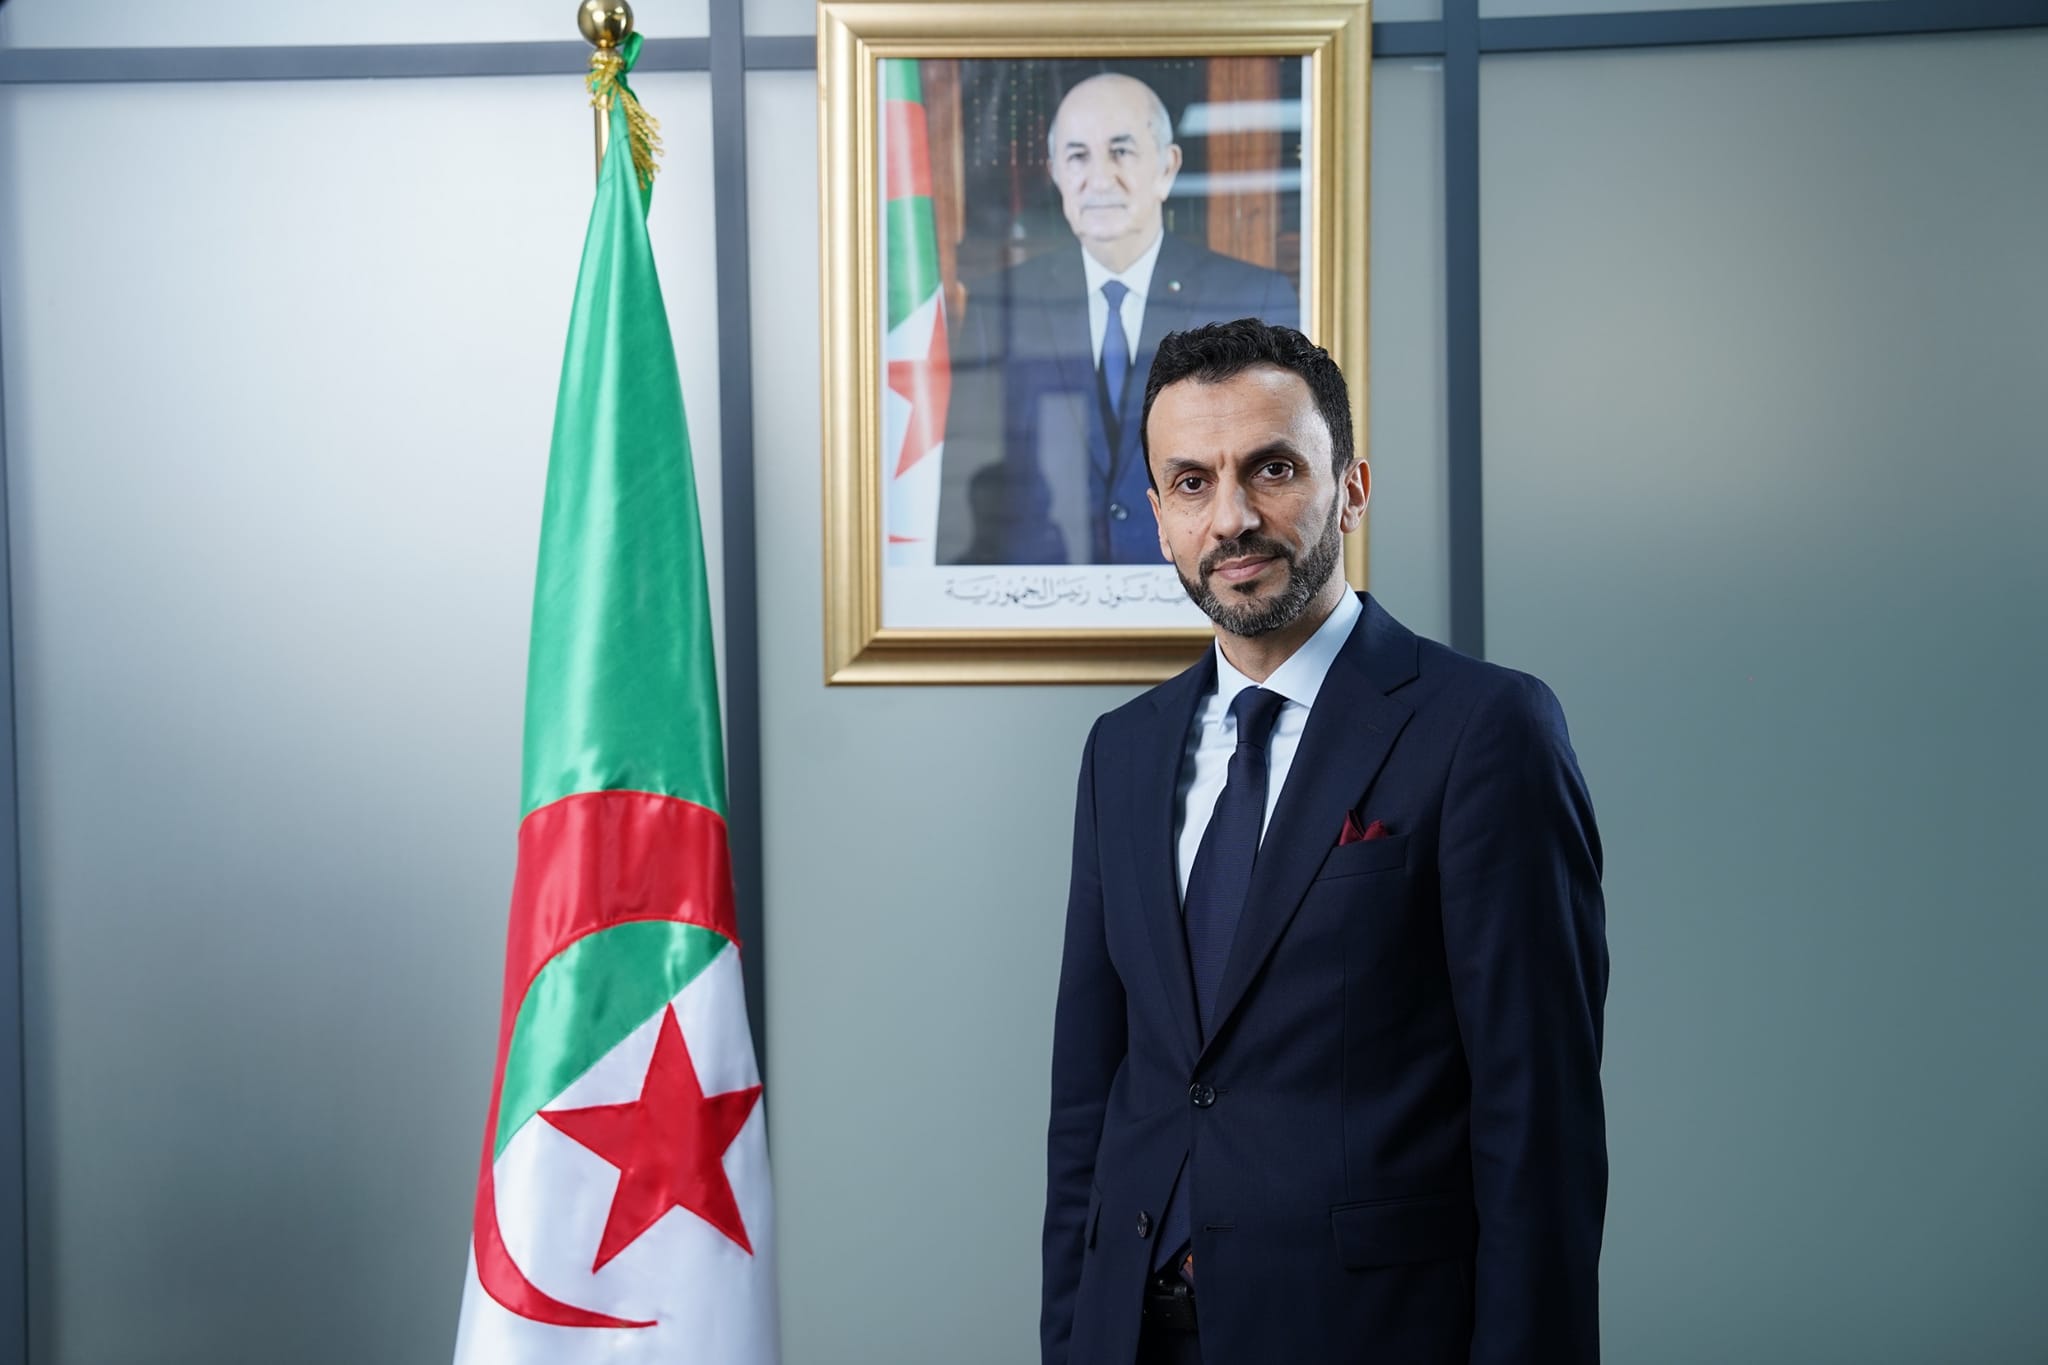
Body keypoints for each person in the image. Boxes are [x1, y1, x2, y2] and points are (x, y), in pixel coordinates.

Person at [1041, 319, 1608, 1364]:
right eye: (1191, 482)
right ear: (1159, 517)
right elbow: (1088, 1100)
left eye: (1272, 469)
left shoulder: (1485, 731)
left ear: (1350, 488)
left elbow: (1540, 1127)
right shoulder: (1120, 753)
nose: (1232, 518)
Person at [938, 73, 1300, 566]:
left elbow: (1281, 468)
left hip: (1206, 588)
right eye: (1078, 156)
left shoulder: (1252, 297)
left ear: (1167, 167)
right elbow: (966, 482)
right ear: (1056, 173)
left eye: (1121, 151)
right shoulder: (998, 305)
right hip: (1045, 591)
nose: (1100, 178)